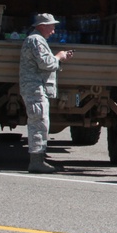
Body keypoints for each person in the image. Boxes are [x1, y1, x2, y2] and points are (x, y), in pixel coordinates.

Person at [19, 13, 74, 174]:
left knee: (41, 121)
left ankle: (38, 159)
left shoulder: (37, 40)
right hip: (34, 88)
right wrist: (59, 57)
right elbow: (45, 63)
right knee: (39, 122)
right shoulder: (36, 40)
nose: (54, 30)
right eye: (51, 26)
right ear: (42, 26)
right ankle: (36, 161)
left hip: (36, 87)